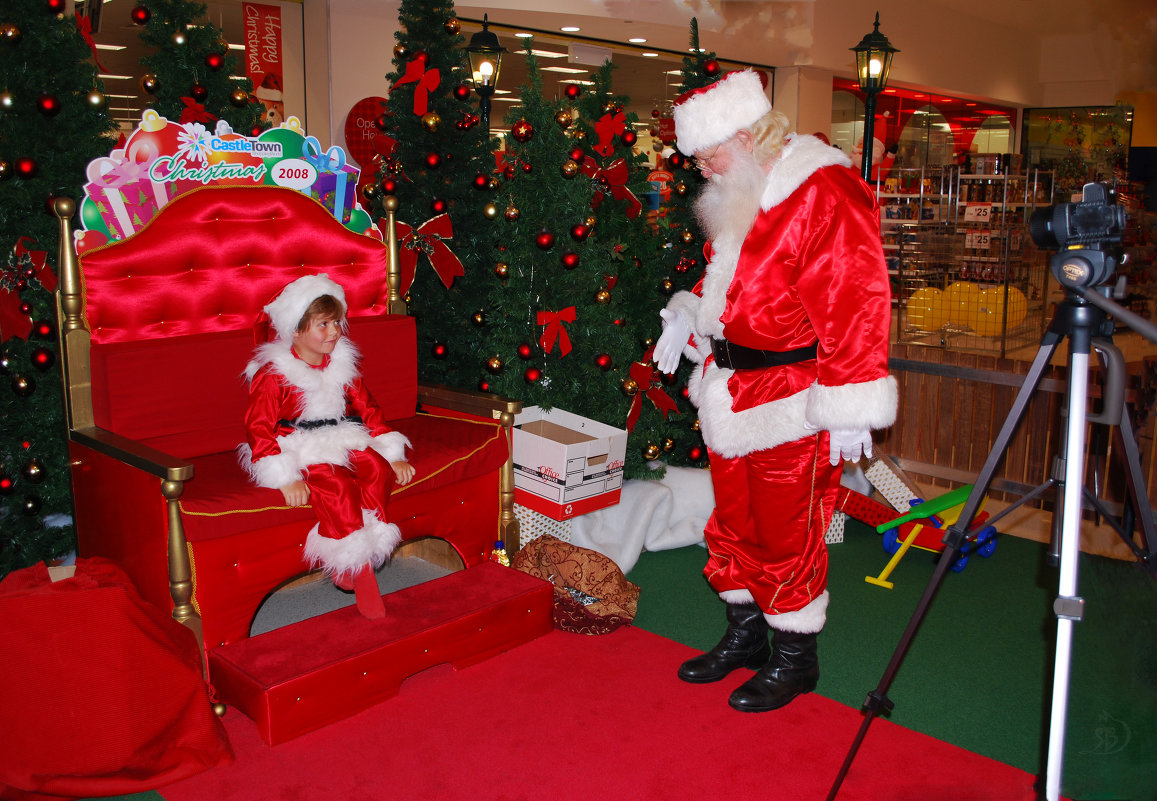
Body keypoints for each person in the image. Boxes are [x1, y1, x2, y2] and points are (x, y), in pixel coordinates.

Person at [654, 70, 896, 712]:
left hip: (792, 396)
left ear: (751, 132)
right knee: (732, 522)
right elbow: (743, 288)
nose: (701, 167)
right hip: (730, 391)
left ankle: (796, 656)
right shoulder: (744, 187)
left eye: (709, 152)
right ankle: (747, 635)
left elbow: (857, 298)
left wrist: (852, 403)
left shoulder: (821, 187)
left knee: (787, 529)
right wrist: (692, 315)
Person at [238, 273, 415, 619]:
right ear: (296, 329)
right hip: (299, 443)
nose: (334, 332)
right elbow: (258, 427)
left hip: (341, 434)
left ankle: (369, 543)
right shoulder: (275, 374)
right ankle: (353, 567)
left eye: (336, 322)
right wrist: (283, 476)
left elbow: (368, 408)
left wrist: (390, 451)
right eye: (323, 324)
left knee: (377, 470)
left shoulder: (342, 364)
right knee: (337, 485)